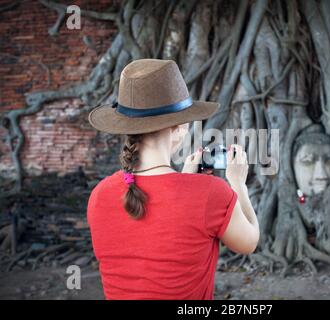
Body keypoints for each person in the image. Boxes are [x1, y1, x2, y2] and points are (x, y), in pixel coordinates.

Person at [86, 59, 259, 300]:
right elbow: (249, 242)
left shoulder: (99, 195)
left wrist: (185, 179)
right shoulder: (210, 193)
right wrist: (238, 183)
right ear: (179, 127)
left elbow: (152, 247)